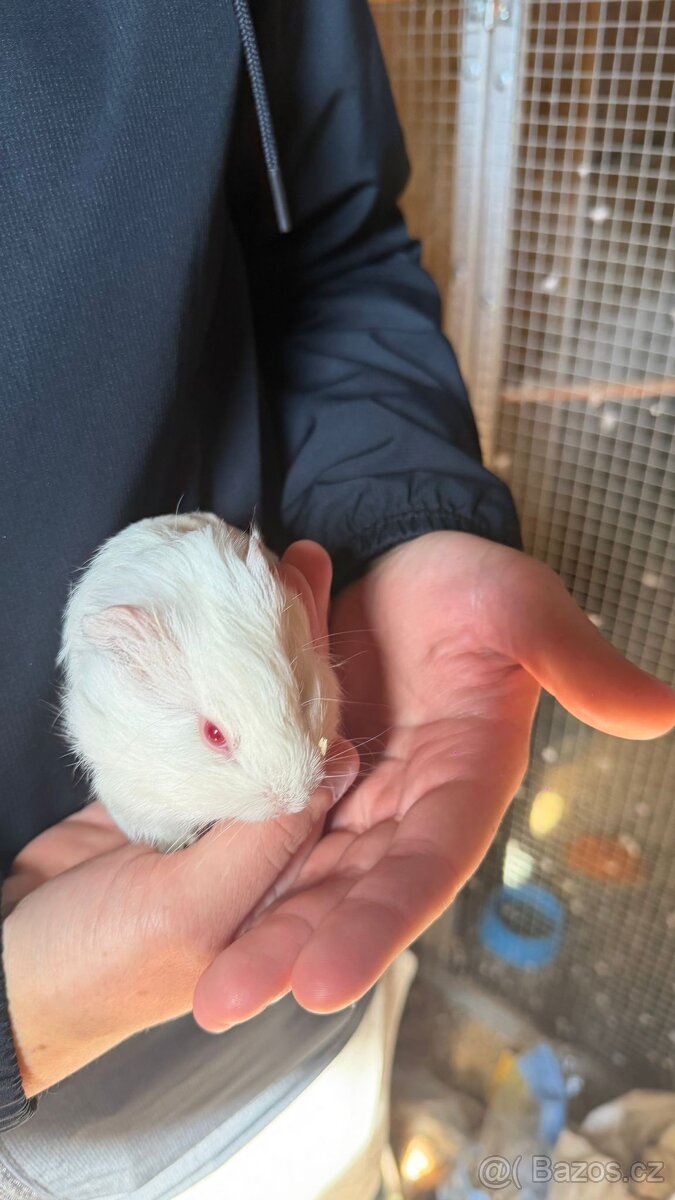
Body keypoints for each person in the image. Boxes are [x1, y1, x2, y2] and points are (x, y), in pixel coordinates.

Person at [2, 0, 673, 1139]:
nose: (298, 776)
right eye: (222, 732)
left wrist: (398, 524)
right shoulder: (127, 671)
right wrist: (11, 1024)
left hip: (291, 1027)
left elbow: (335, 250)